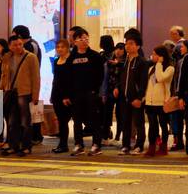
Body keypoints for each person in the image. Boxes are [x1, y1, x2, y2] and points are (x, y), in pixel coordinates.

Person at [64, 27, 106, 156]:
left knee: (94, 119)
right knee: (76, 120)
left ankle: (96, 145)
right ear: (75, 41)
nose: (84, 41)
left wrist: (96, 90)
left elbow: (101, 75)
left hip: (91, 93)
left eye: (86, 38)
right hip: (76, 94)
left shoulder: (95, 56)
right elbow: (68, 77)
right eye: (81, 39)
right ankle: (78, 145)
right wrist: (67, 95)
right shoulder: (71, 58)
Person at [0, 33, 39, 156]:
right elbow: (3, 76)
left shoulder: (30, 57)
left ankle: (26, 147)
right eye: (15, 45)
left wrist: (35, 95)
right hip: (11, 92)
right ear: (10, 46)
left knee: (26, 122)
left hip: (25, 92)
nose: (18, 47)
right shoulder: (7, 57)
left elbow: (36, 77)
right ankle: (13, 146)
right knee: (12, 122)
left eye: (20, 44)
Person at [114, 29, 150, 156]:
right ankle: (125, 145)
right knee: (125, 122)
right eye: (126, 43)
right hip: (124, 98)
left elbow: (143, 82)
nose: (127, 46)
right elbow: (122, 78)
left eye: (131, 43)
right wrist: (117, 87)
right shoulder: (125, 61)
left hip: (136, 98)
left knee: (139, 123)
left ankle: (139, 145)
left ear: (138, 46)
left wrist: (139, 98)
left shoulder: (142, 62)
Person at [142, 45, 174, 158]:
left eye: (155, 54)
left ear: (161, 56)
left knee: (163, 125)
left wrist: (159, 64)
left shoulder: (170, 68)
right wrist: (144, 97)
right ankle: (151, 147)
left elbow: (160, 78)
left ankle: (163, 147)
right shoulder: (151, 68)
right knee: (152, 125)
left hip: (162, 102)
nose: (153, 56)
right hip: (150, 102)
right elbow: (149, 85)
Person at [49, 40, 72, 154]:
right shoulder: (57, 60)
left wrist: (67, 96)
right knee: (61, 121)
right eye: (57, 47)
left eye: (62, 47)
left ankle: (64, 144)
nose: (59, 49)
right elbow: (56, 80)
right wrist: (52, 95)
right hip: (57, 94)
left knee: (64, 120)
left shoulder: (70, 61)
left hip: (67, 95)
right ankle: (62, 144)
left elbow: (70, 81)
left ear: (67, 48)